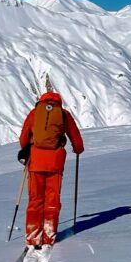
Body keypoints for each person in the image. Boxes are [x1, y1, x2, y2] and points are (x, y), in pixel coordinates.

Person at [18, 90, 84, 248]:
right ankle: (49, 236)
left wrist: (30, 148)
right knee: (52, 199)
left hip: (36, 162)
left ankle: (33, 237)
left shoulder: (35, 113)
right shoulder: (63, 114)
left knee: (35, 199)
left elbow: (23, 140)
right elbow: (77, 141)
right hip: (55, 162)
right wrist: (77, 149)